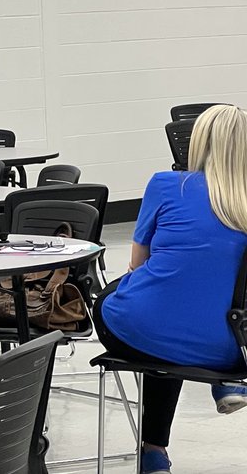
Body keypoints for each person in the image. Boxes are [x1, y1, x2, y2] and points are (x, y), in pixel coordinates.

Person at [94, 104, 247, 474]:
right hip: (234, 349)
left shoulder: (166, 184)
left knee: (134, 306)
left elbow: (137, 265)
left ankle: (153, 452)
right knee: (193, 310)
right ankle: (228, 382)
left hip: (146, 331)